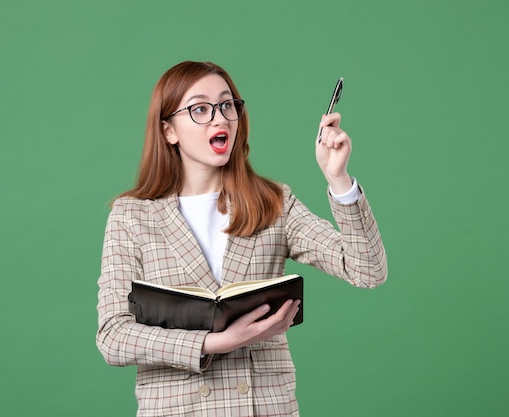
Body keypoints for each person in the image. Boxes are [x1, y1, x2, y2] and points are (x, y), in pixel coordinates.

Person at [96, 60, 387, 416]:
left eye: (227, 105)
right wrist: (214, 343)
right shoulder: (132, 216)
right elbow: (113, 336)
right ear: (168, 130)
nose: (219, 118)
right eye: (200, 108)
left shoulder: (272, 202)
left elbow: (368, 270)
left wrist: (339, 180)